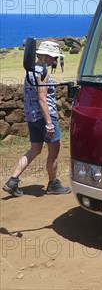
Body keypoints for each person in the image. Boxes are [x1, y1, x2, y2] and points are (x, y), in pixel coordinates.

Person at [2, 41, 71, 197]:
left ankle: (13, 181)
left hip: (31, 117)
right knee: (53, 152)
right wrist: (49, 124)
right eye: (54, 58)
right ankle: (53, 183)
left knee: (35, 150)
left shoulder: (30, 70)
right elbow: (42, 99)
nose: (54, 61)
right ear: (47, 57)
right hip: (45, 117)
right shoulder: (43, 72)